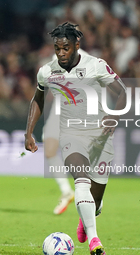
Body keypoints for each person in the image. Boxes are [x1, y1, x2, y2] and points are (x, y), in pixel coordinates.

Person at [25, 22, 127, 254]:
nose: (61, 53)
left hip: (100, 137)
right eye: (57, 48)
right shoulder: (47, 71)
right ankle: (94, 241)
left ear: (76, 45)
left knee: (96, 201)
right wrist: (28, 131)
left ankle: (86, 218)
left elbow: (122, 93)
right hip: (71, 134)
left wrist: (113, 117)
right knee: (80, 179)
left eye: (66, 48)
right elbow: (37, 99)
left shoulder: (96, 66)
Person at [45, 48, 89, 215]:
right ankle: (66, 191)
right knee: (49, 151)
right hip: (58, 109)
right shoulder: (54, 57)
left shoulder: (85, 59)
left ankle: (87, 194)